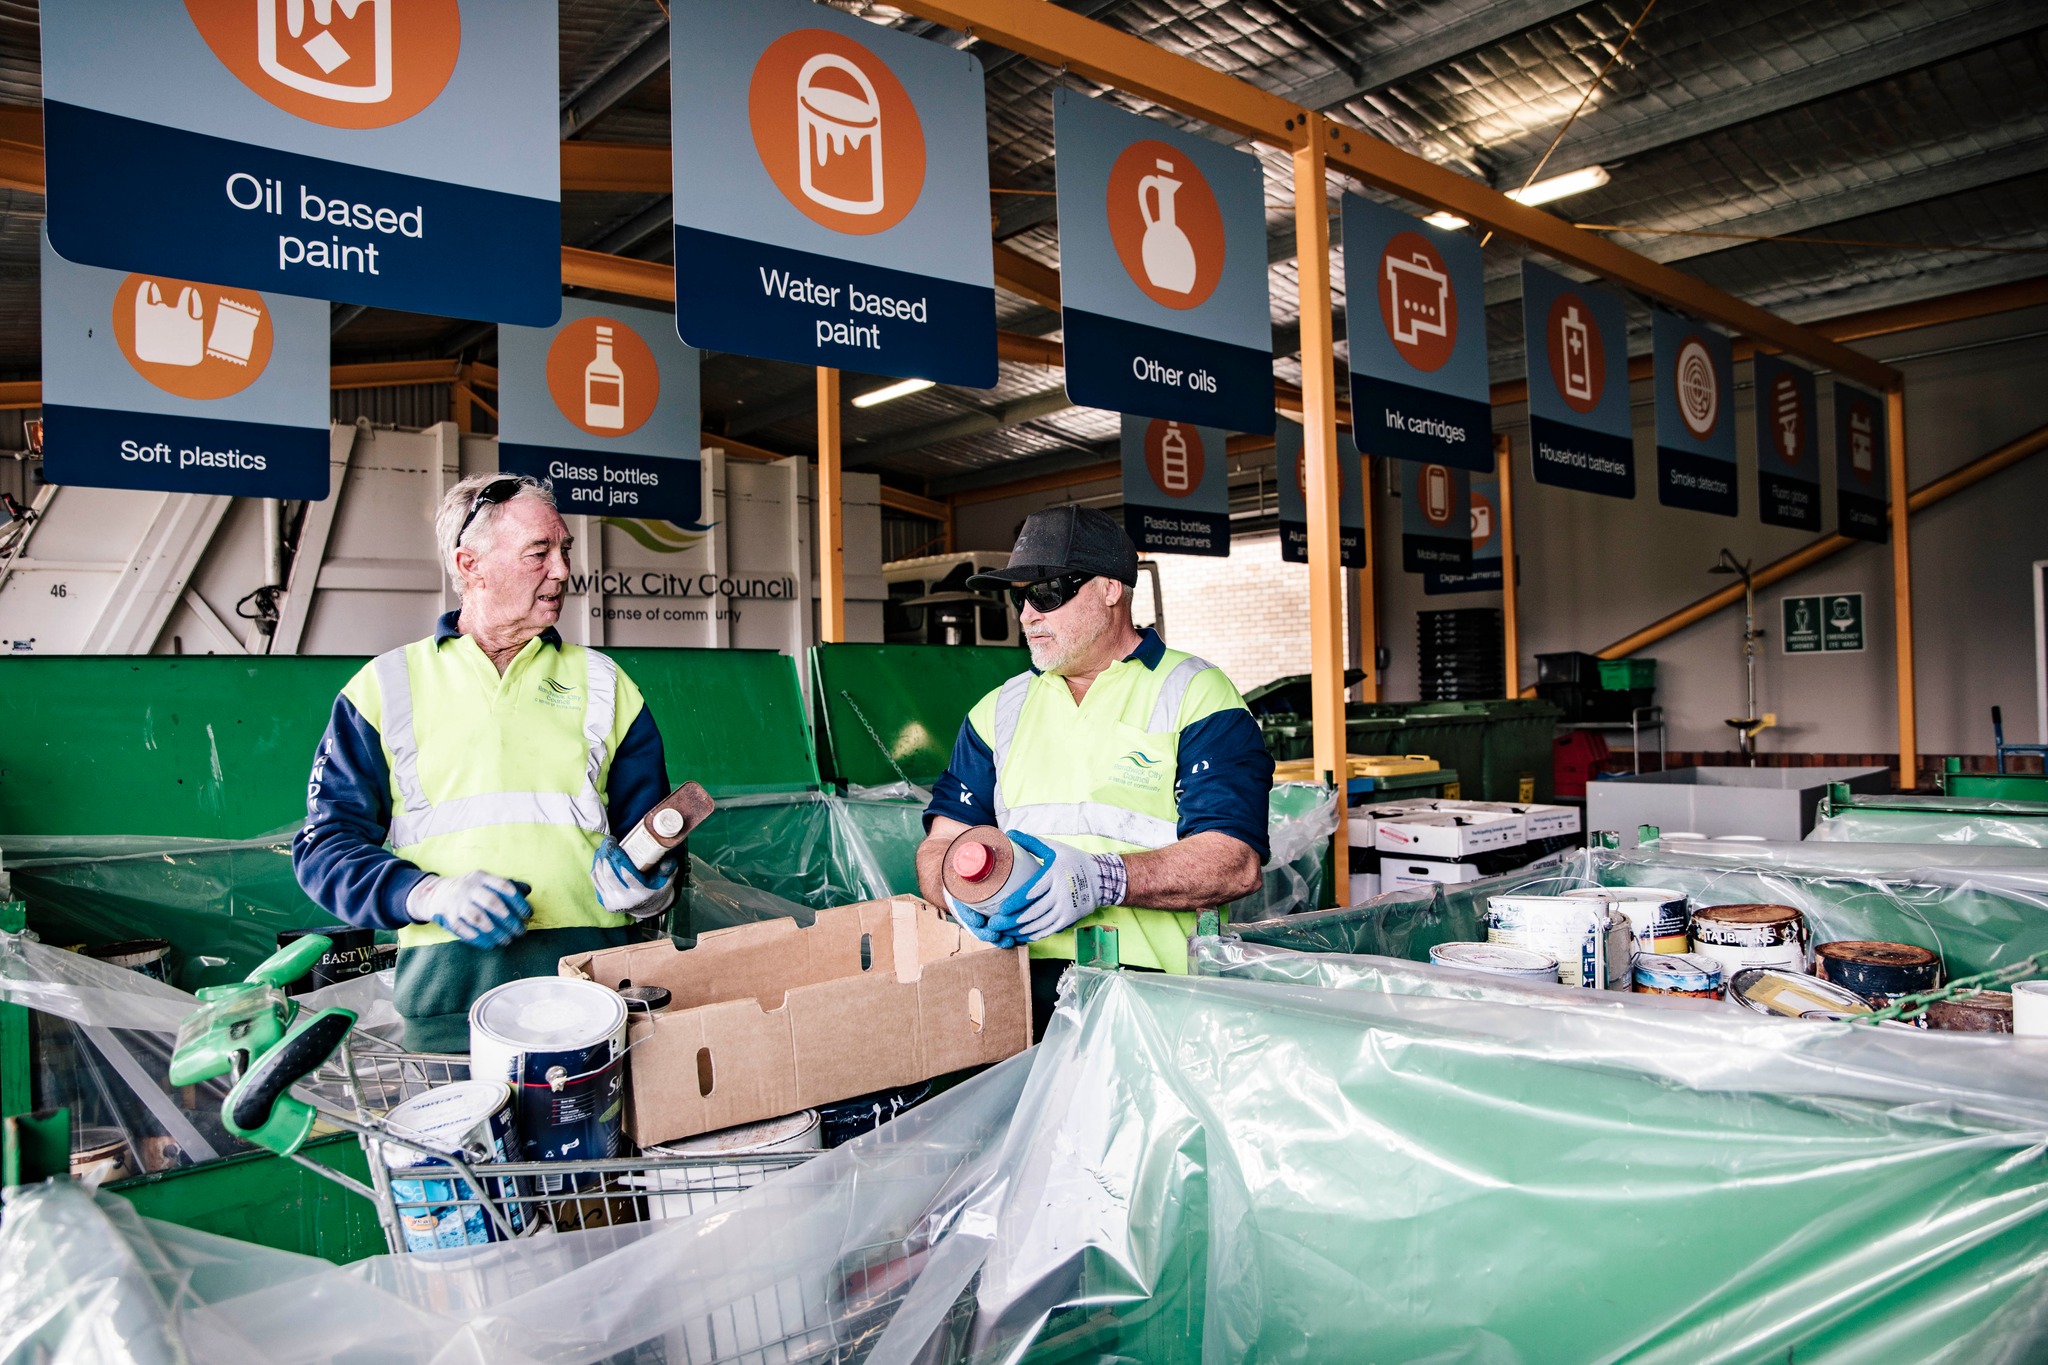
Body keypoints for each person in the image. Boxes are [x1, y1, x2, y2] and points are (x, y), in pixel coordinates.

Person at [293, 474, 679, 1051]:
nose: (562, 571)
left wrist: (649, 886)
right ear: (469, 564)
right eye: (538, 553)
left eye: (564, 551)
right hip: (448, 1009)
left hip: (594, 996)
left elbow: (655, 841)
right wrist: (427, 895)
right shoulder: (383, 687)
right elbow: (324, 848)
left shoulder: (605, 684)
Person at [916, 506, 1274, 1035]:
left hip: (1155, 1001)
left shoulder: (1194, 692)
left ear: (1111, 589)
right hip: (1015, 997)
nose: (1027, 616)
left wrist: (1104, 880)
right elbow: (940, 844)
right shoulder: (998, 709)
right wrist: (953, 890)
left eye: (1046, 593)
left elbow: (1234, 861)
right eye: (1020, 596)